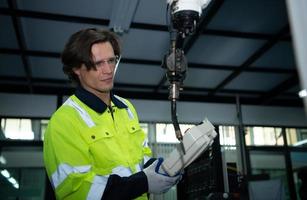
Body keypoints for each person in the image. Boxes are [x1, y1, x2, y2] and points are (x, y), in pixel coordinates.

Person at [43, 28, 181, 200]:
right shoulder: (63, 122)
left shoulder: (126, 108)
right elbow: (77, 190)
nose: (108, 70)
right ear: (76, 68)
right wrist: (143, 183)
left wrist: (164, 168)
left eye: (111, 60)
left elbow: (140, 161)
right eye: (98, 63)